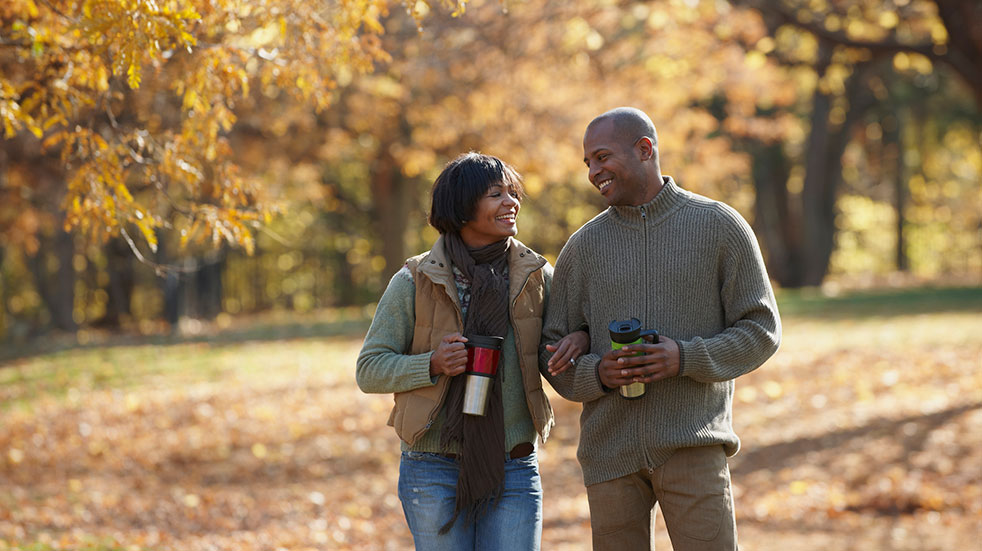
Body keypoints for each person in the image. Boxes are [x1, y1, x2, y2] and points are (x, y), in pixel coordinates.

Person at [540, 107, 781, 551]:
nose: (594, 172)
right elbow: (552, 352)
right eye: (588, 163)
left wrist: (684, 358)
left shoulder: (719, 226)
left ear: (645, 150)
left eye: (602, 157)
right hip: (610, 458)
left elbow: (762, 330)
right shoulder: (583, 247)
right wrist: (597, 374)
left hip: (692, 446)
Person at [357, 152, 588, 550]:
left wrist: (581, 338)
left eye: (511, 193)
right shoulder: (414, 280)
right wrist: (432, 363)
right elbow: (370, 369)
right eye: (496, 194)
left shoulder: (536, 276)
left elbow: (571, 333)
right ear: (462, 207)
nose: (511, 202)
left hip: (514, 465)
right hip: (431, 466)